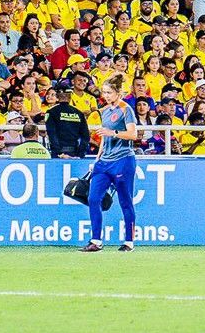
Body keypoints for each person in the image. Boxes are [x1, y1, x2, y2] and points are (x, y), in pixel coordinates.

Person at [82, 73, 144, 253]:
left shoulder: (126, 110)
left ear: (118, 92)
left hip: (123, 160)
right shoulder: (105, 111)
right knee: (93, 198)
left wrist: (113, 133)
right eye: (104, 92)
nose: (106, 96)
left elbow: (133, 135)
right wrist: (96, 160)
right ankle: (96, 241)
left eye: (109, 92)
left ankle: (129, 242)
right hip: (104, 162)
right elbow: (103, 138)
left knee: (125, 201)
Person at [45, 80, 90, 157]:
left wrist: (59, 153)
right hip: (75, 152)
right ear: (70, 96)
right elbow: (86, 136)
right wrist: (80, 154)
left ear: (57, 97)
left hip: (58, 154)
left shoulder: (51, 112)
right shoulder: (79, 113)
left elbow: (52, 133)